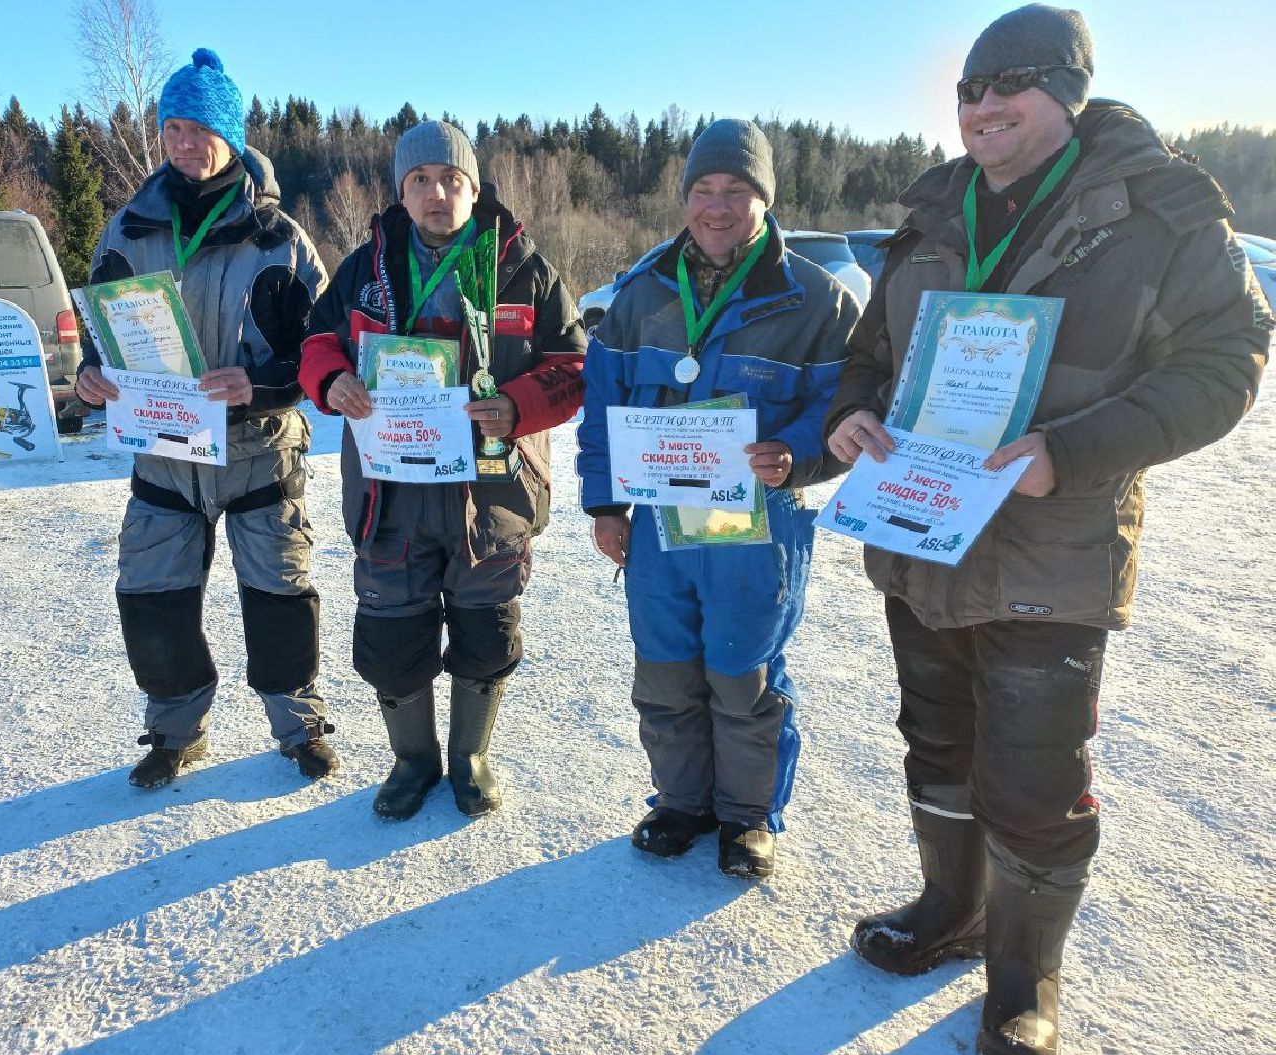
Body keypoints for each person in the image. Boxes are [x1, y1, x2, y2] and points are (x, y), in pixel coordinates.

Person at [824, 6, 1269, 1055]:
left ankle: (1025, 987)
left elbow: (1228, 361)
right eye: (968, 90)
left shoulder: (1157, 211)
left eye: (1009, 84)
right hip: (921, 535)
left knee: (1032, 778)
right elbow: (872, 350)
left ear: (1068, 91)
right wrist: (852, 412)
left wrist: (1069, 451)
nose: (983, 107)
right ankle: (951, 909)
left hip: (1050, 553)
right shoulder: (933, 211)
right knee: (937, 745)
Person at [576, 120, 858, 880]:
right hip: (661, 527)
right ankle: (681, 803)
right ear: (685, 197)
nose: (718, 206)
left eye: (738, 190)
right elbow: (602, 405)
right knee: (665, 672)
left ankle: (746, 816)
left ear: (765, 200)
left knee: (743, 675)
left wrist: (796, 454)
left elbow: (848, 407)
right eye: (704, 189)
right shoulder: (641, 294)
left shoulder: (816, 301)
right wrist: (605, 506)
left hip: (757, 526)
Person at [298, 121, 586, 821]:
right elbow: (316, 340)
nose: (436, 193)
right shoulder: (365, 268)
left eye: (451, 180)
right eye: (420, 180)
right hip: (390, 492)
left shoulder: (523, 268)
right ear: (401, 192)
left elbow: (575, 367)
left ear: (474, 188)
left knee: (486, 632)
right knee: (392, 636)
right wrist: (331, 379)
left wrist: (516, 406)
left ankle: (470, 757)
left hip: (491, 494)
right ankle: (413, 760)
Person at [74, 49, 337, 789]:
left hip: (258, 452)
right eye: (173, 129)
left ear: (231, 135)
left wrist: (258, 385)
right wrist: (88, 377)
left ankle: (299, 726)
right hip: (163, 453)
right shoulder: (128, 229)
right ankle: (173, 732)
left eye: (200, 130)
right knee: (152, 600)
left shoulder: (279, 238)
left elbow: (322, 352)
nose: (185, 143)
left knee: (280, 600)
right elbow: (97, 333)